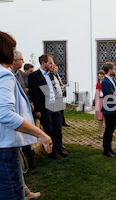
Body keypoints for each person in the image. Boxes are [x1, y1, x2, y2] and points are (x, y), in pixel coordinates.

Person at [0, 30, 52, 200]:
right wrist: (41, 134)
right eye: (12, 49)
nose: (15, 54)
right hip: (5, 147)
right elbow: (5, 114)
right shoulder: (4, 74)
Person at [28, 54, 68, 159]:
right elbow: (34, 94)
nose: (52, 64)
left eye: (53, 62)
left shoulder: (51, 75)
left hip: (55, 104)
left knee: (58, 128)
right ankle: (52, 152)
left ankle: (59, 149)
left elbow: (55, 88)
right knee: (49, 130)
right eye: (50, 63)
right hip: (45, 107)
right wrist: (37, 110)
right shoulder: (34, 76)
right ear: (43, 63)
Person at [101, 62, 116, 158]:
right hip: (109, 108)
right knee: (108, 130)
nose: (115, 70)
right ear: (109, 70)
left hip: (114, 107)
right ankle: (106, 150)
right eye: (114, 68)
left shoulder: (111, 80)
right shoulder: (105, 82)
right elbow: (111, 95)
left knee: (112, 129)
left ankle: (110, 148)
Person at [94, 70, 105, 139]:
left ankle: (109, 131)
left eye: (101, 76)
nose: (100, 77)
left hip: (106, 99)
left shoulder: (106, 83)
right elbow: (97, 92)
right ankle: (101, 133)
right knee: (100, 118)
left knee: (107, 117)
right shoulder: (98, 84)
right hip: (100, 100)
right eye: (99, 76)